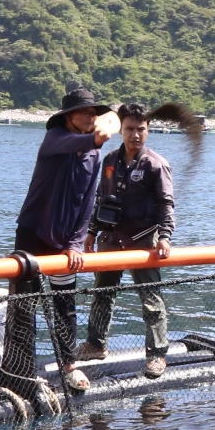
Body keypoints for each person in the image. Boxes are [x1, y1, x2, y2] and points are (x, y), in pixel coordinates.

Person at [13, 87, 110, 393]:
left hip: (65, 239)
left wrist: (75, 243)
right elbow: (79, 141)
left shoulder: (94, 155)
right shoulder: (54, 138)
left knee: (64, 305)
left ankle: (69, 364)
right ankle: (20, 366)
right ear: (68, 116)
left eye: (94, 113)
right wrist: (99, 135)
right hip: (32, 232)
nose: (90, 117)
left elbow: (88, 202)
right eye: (84, 112)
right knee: (24, 303)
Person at [78, 103, 175, 378]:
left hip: (143, 240)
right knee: (102, 294)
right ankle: (96, 344)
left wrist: (165, 236)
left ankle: (157, 354)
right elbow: (100, 198)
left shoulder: (156, 164)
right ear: (121, 129)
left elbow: (166, 204)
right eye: (130, 129)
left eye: (141, 129)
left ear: (148, 130)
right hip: (110, 237)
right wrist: (91, 231)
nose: (135, 135)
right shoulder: (110, 160)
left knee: (151, 299)